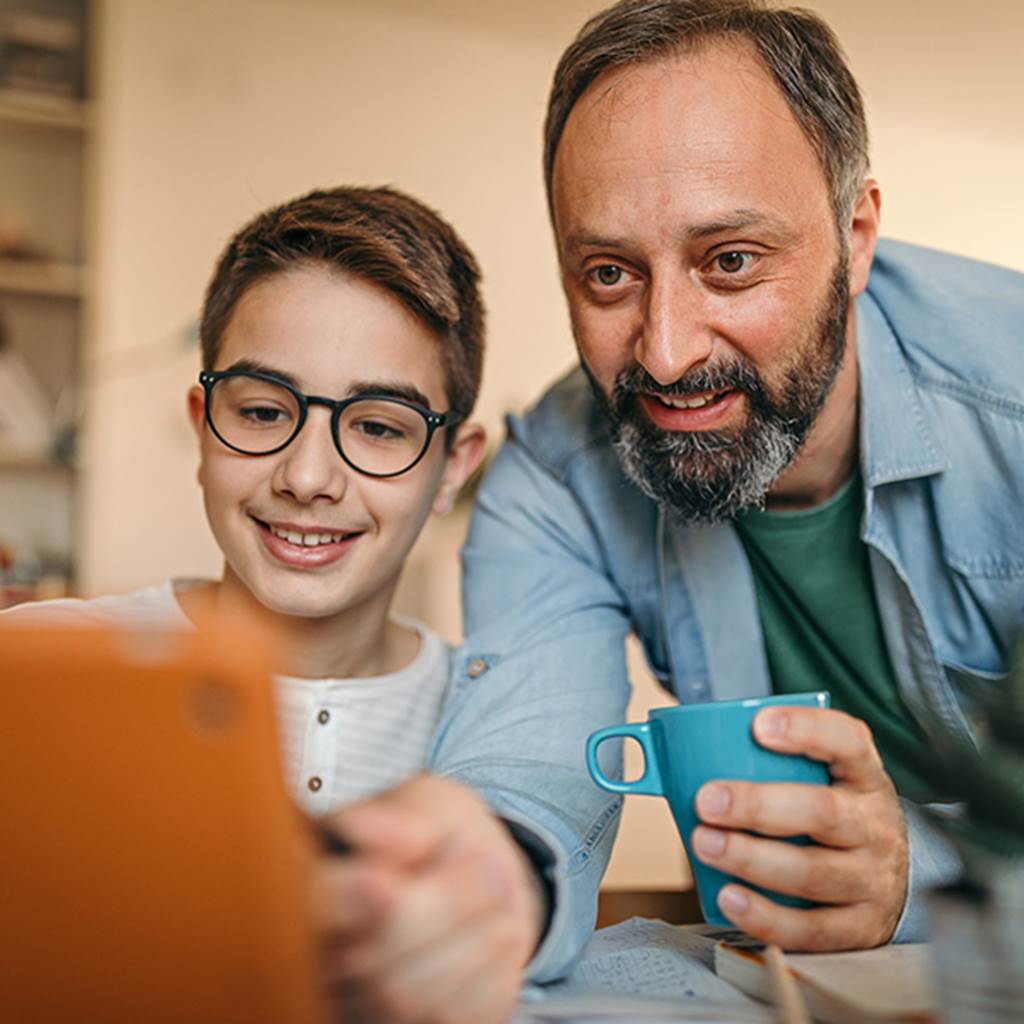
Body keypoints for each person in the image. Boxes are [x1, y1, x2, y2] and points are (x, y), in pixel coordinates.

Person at [432, 0, 1024, 973]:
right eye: (609, 273)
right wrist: (470, 895)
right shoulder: (552, 476)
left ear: (856, 233)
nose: (665, 353)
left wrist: (924, 867)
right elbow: (524, 771)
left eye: (731, 260)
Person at [1, 186, 544, 1023]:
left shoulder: (491, 732)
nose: (307, 477)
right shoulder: (35, 667)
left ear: (452, 467)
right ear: (203, 426)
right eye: (260, 411)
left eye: (379, 427)